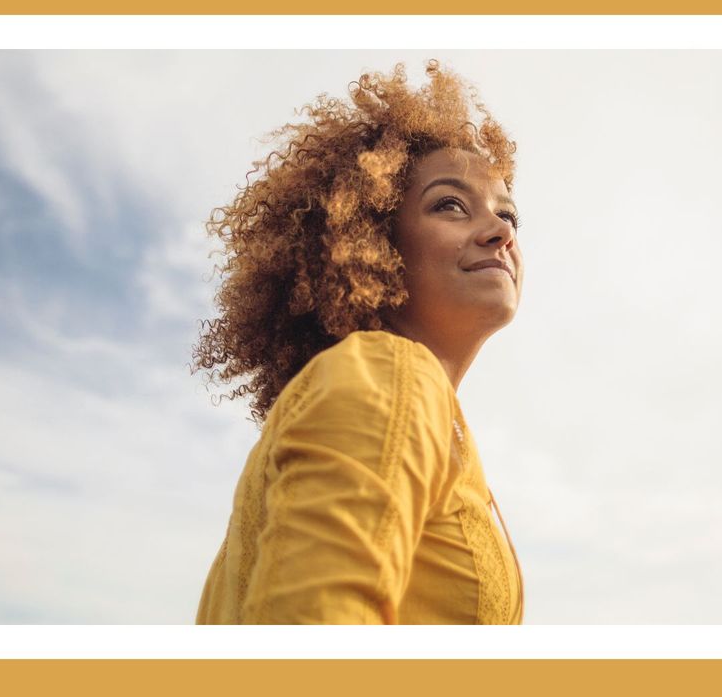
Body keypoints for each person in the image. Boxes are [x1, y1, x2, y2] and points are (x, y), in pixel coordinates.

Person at [192, 60, 524, 624]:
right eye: (450, 205)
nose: (501, 231)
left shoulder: (417, 409)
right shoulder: (390, 374)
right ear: (371, 239)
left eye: (508, 213)